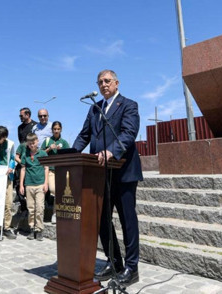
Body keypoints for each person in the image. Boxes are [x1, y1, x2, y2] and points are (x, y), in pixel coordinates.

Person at [72, 69, 141, 287]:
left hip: (123, 171)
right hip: (100, 173)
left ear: (117, 83)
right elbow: (84, 135)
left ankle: (132, 268)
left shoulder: (129, 105)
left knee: (127, 220)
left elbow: (128, 133)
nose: (103, 85)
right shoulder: (94, 108)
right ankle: (114, 262)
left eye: (107, 81)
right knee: (102, 220)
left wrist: (111, 151)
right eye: (100, 82)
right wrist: (72, 154)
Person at [19, 133, 48, 241]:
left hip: (40, 184)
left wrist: (46, 183)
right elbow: (23, 169)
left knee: (39, 207)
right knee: (31, 208)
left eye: (33, 143)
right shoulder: (25, 154)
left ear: (37, 142)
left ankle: (39, 229)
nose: (32, 145)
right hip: (29, 184)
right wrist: (21, 184)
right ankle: (32, 228)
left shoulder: (43, 153)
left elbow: (46, 168)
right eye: (30, 143)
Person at [0, 126, 17, 239]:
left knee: (8, 203)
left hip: (8, 177)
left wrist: (11, 167)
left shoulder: (11, 144)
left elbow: (12, 158)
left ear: (5, 137)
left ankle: (6, 227)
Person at [42, 121, 69, 224]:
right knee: (53, 189)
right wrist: (50, 148)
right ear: (52, 130)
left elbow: (68, 155)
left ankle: (55, 213)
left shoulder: (64, 142)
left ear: (61, 129)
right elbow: (41, 153)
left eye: (58, 129)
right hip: (50, 170)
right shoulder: (48, 141)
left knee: (61, 191)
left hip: (61, 170)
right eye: (55, 129)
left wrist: (61, 150)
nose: (56, 131)